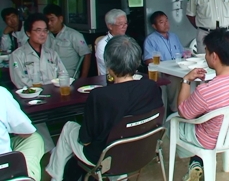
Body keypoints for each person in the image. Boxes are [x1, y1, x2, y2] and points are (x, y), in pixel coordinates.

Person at [46, 35, 163, 180]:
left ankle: (56, 177)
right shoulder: (151, 86)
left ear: (109, 66)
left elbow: (85, 140)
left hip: (103, 157)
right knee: (118, 133)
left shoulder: (100, 96)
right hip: (142, 152)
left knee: (69, 127)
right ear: (137, 62)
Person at [176, 29, 229, 180]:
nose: (205, 56)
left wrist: (186, 80)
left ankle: (195, 160)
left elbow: (184, 112)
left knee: (173, 124)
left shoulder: (206, 91)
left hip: (210, 139)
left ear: (214, 57)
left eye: (206, 52)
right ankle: (196, 161)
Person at [9, 13, 67, 89]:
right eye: (38, 30)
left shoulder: (52, 53)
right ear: (28, 33)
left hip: (53, 95)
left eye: (45, 30)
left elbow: (63, 73)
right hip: (31, 97)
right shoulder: (17, 55)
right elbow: (20, 81)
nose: (43, 34)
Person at [0, 86, 44, 180]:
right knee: (34, 138)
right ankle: (25, 175)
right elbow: (26, 132)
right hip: (4, 170)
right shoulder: (1, 93)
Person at [143, 11, 184, 113]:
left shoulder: (174, 36)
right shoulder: (151, 39)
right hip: (163, 72)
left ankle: (187, 108)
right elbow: (148, 60)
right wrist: (165, 68)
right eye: (161, 22)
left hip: (177, 69)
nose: (166, 24)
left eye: (167, 20)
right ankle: (176, 110)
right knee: (175, 79)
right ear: (154, 26)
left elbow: (182, 53)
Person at [43, 4, 91, 78]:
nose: (49, 23)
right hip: (48, 77)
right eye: (47, 20)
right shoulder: (44, 35)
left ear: (61, 19)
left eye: (52, 20)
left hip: (68, 77)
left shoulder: (74, 35)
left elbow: (86, 55)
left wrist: (83, 78)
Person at [95, 9, 128, 75]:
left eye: (126, 23)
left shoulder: (127, 40)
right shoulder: (103, 44)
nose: (125, 27)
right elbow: (114, 68)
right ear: (110, 26)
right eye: (120, 24)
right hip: (110, 79)